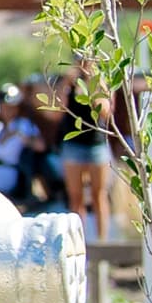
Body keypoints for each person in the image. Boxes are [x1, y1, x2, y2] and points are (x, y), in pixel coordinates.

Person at [56, 67, 112, 240]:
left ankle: (102, 243)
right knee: (75, 197)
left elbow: (105, 112)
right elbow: (57, 110)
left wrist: (93, 84)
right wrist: (66, 82)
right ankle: (78, 243)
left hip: (96, 144)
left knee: (99, 195)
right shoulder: (68, 82)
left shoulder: (99, 81)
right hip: (73, 144)